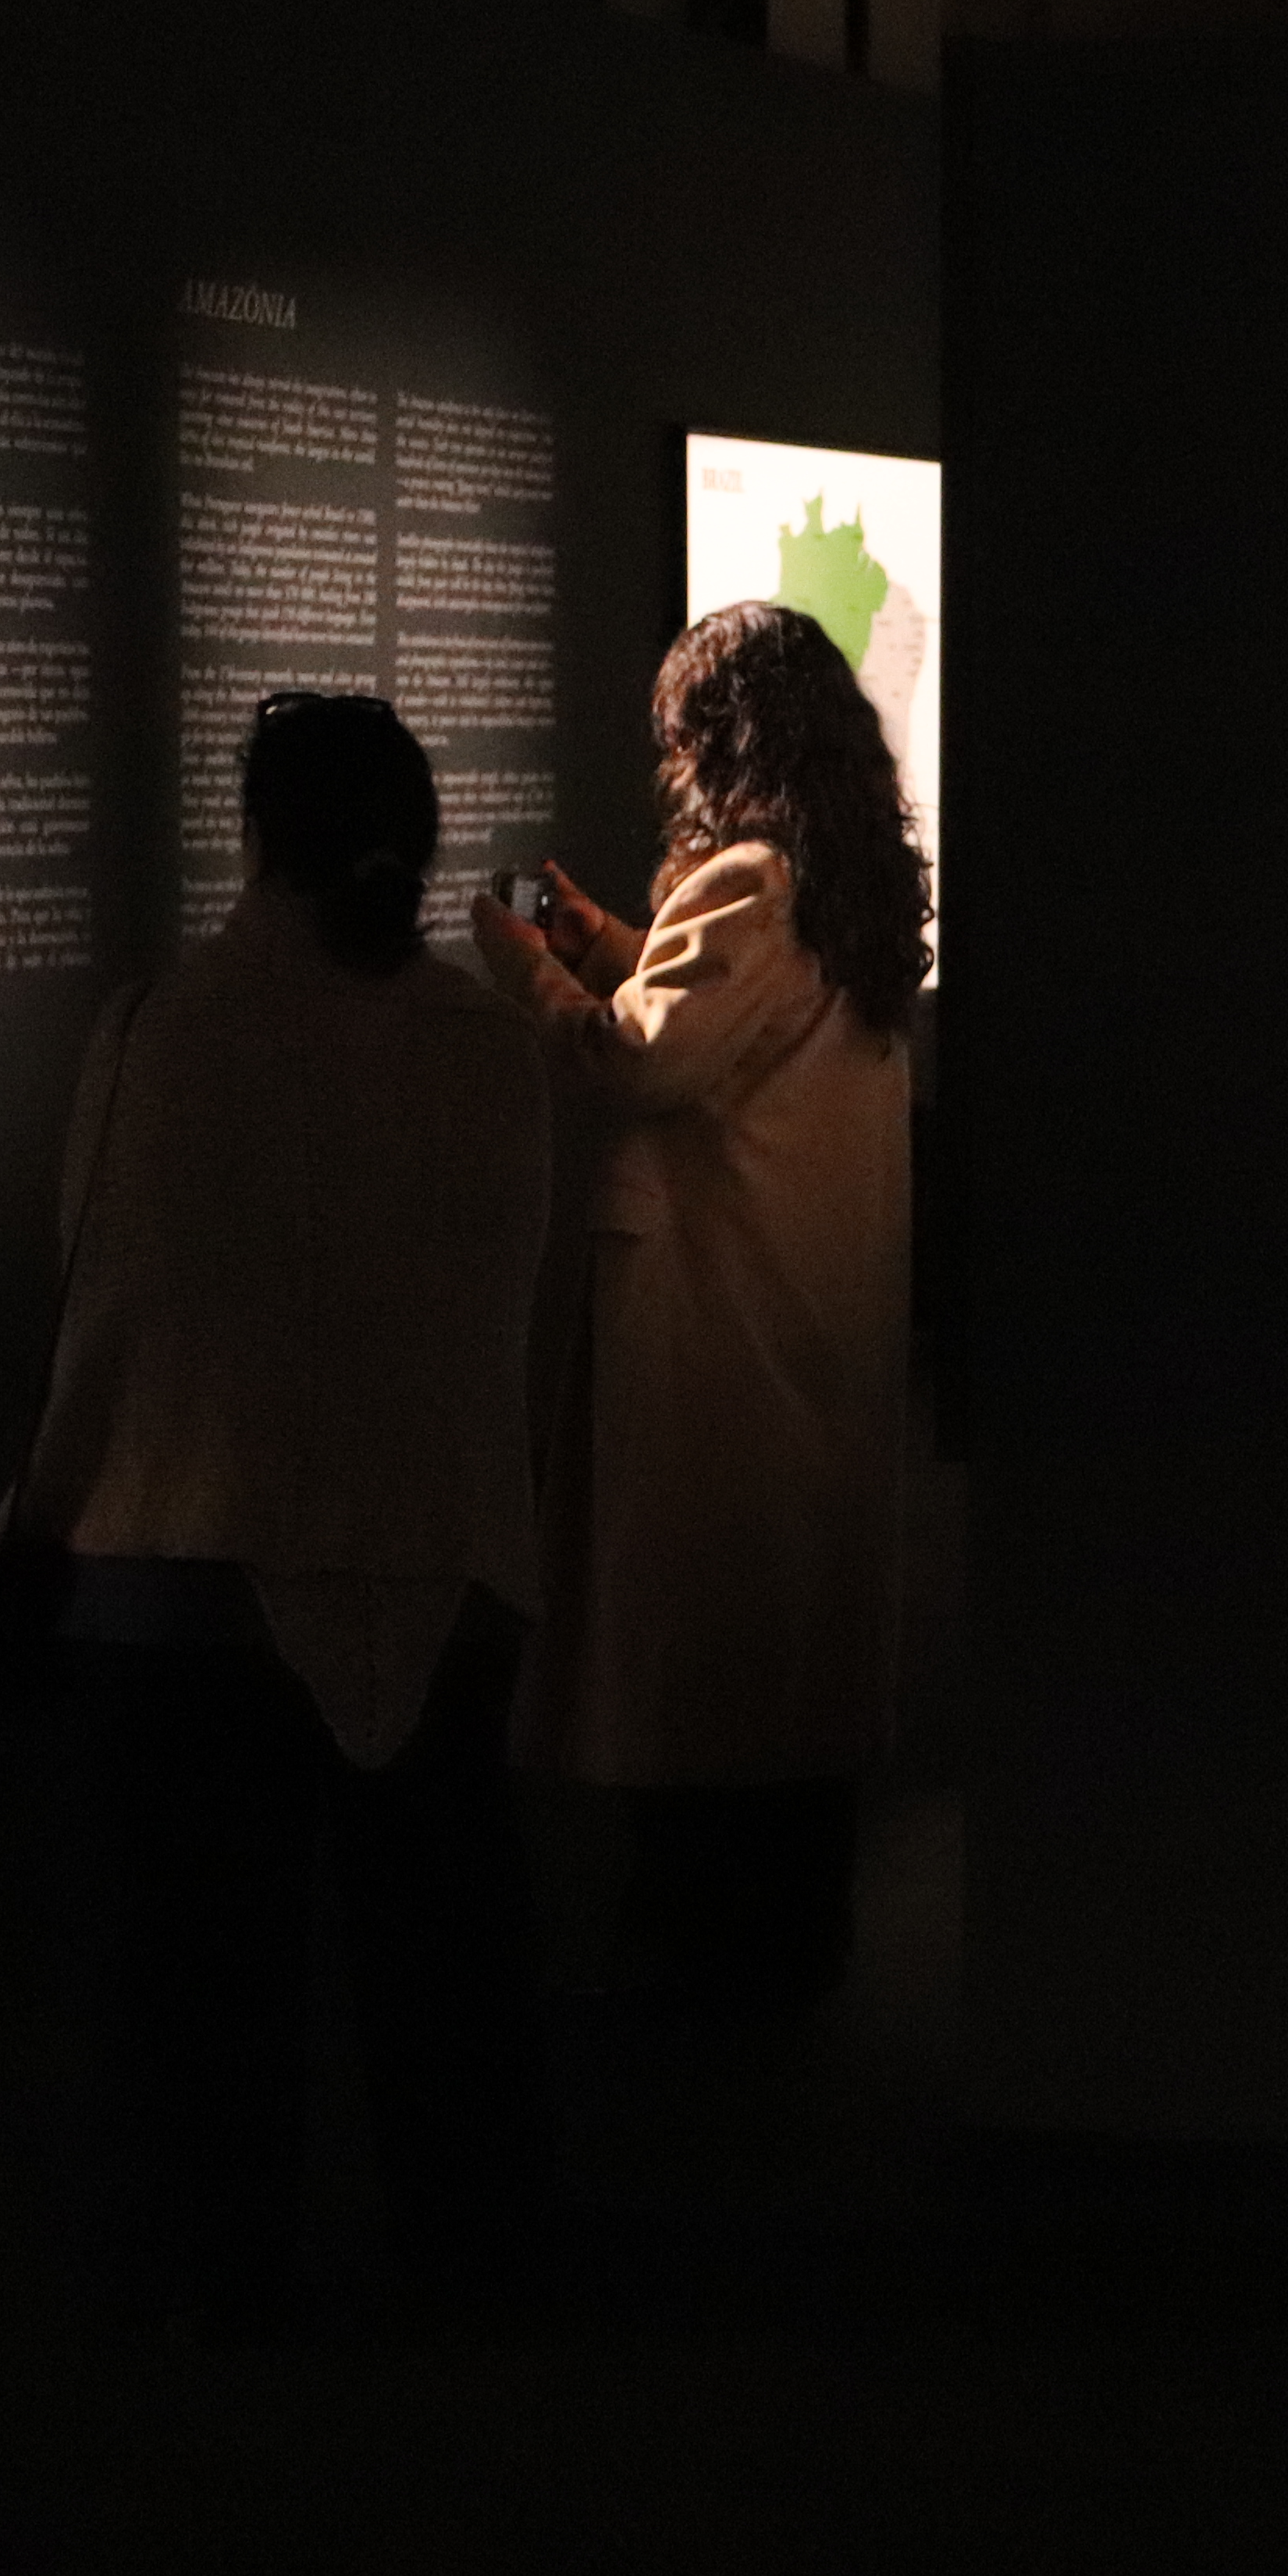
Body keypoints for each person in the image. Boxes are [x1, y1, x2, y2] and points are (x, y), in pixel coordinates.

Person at [20, 691, 553, 2329]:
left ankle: (211, 2292)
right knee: (438, 1976)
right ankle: (464, 2272)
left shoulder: (161, 1032)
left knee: (200, 1992)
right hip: (438, 1549)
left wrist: (38, 1515)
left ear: (257, 835)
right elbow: (504, 1312)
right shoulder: (491, 1047)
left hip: (181, 1563)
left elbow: (101, 1306)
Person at [475, 600, 922, 2016]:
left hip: (721, 1313)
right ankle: (789, 1939)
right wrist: (611, 934)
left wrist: (529, 969)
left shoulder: (746, 881)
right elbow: (711, 1021)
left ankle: (699, 1961)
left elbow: (638, 1068)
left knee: (701, 1649)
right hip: (806, 1302)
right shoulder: (834, 880)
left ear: (719, 741)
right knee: (787, 1642)